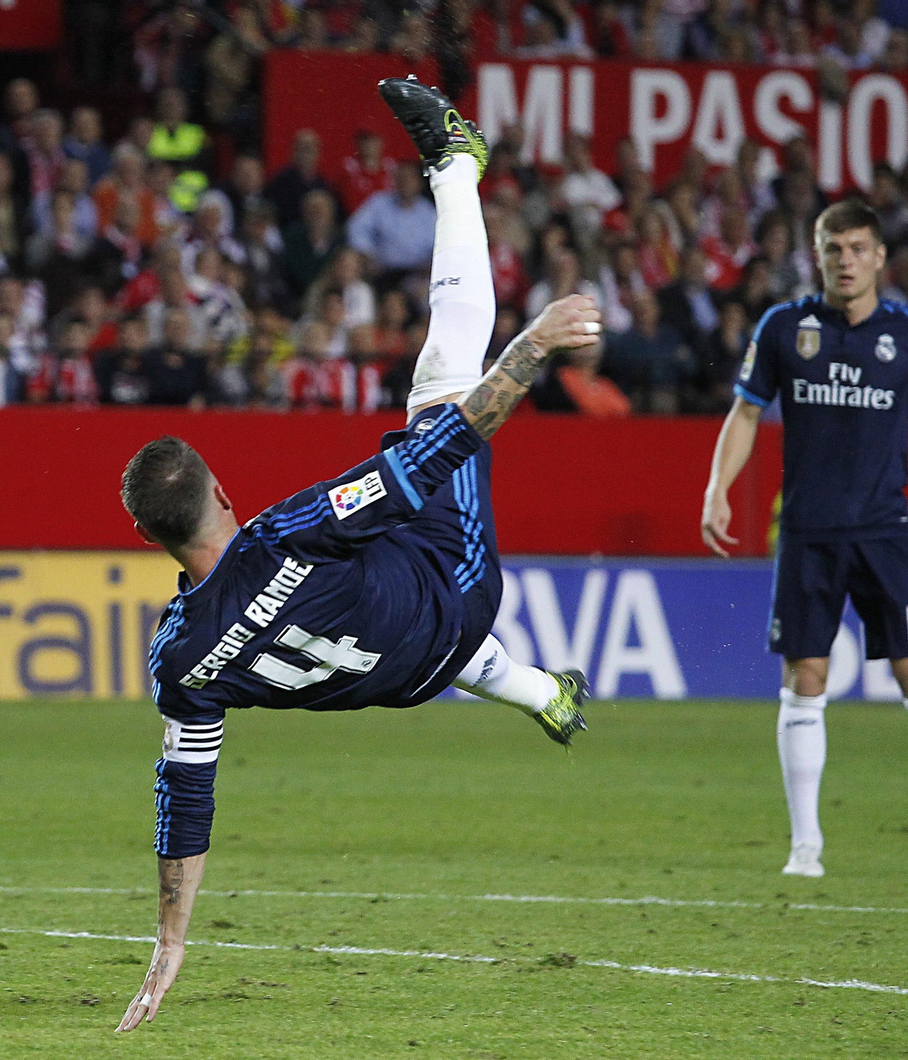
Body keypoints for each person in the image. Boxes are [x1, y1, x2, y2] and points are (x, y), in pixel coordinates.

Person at [115, 77, 598, 1033]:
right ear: (219, 494)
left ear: (151, 539)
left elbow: (186, 795)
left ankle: (547, 694)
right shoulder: (283, 530)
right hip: (454, 584)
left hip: (412, 673)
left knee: (373, 585)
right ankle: (457, 165)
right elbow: (438, 452)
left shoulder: (179, 659)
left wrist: (170, 940)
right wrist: (534, 349)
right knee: (442, 383)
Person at [700, 199, 908, 882]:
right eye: (833, 249)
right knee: (804, 680)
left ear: (879, 257)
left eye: (858, 249)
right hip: (808, 532)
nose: (846, 261)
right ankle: (805, 847)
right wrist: (718, 487)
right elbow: (746, 412)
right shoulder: (786, 328)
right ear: (818, 255)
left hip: (883, 533)